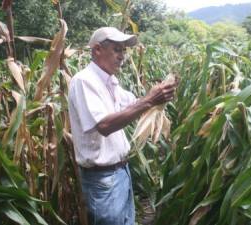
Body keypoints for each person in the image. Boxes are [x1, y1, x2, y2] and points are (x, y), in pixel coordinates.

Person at [68, 27, 177, 225]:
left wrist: (158, 97)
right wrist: (150, 101)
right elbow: (104, 125)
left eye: (124, 51)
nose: (122, 56)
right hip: (102, 180)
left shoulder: (111, 82)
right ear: (98, 50)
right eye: (117, 50)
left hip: (120, 173)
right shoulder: (84, 81)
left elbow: (135, 104)